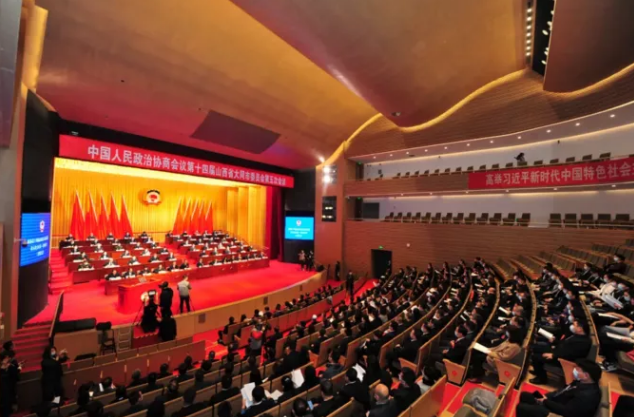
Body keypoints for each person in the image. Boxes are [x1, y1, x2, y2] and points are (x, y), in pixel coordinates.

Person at [516, 359, 602, 417]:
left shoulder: (586, 396)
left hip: (560, 413)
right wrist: (546, 397)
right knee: (525, 395)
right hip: (556, 403)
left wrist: (546, 402)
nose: (574, 370)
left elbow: (566, 411)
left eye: (578, 369)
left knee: (521, 408)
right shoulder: (581, 381)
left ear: (586, 375)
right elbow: (562, 391)